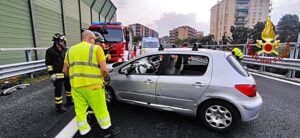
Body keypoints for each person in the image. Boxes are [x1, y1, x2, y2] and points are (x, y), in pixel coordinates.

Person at [63, 30, 120, 137]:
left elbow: (64, 70)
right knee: (101, 110)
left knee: (80, 112)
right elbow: (104, 70)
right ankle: (107, 131)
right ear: (90, 38)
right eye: (94, 39)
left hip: (76, 87)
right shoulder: (96, 49)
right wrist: (106, 79)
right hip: (94, 86)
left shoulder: (70, 51)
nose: (95, 41)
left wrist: (74, 79)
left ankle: (85, 133)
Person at [45, 33, 72, 113]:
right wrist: (51, 74)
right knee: (58, 90)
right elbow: (48, 64)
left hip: (66, 73)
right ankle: (59, 106)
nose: (63, 43)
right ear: (56, 41)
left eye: (63, 41)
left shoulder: (65, 50)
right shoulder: (50, 51)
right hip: (57, 74)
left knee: (68, 88)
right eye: (61, 41)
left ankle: (69, 101)